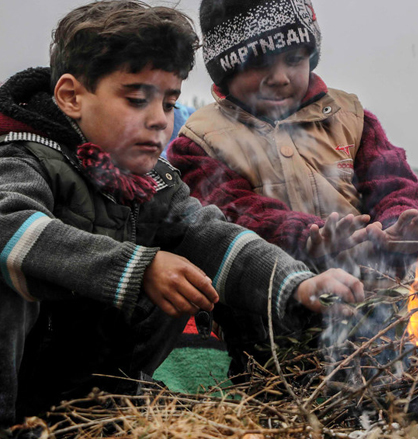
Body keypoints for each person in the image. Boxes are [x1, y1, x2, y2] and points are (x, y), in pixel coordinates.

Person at [0, 0, 363, 428]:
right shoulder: (24, 157)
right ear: (72, 96)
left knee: (189, 268)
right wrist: (138, 267)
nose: (158, 121)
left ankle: (105, 416)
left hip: (77, 401)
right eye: (137, 100)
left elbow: (213, 236)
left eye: (169, 104)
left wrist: (298, 283)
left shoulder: (153, 182)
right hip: (21, 386)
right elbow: (9, 225)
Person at [167, 0, 418, 277]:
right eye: (259, 62)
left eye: (293, 59)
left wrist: (398, 224)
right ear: (226, 69)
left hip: (370, 311)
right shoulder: (201, 141)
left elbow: (393, 183)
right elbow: (233, 214)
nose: (280, 77)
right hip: (264, 314)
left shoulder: (350, 119)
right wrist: (307, 236)